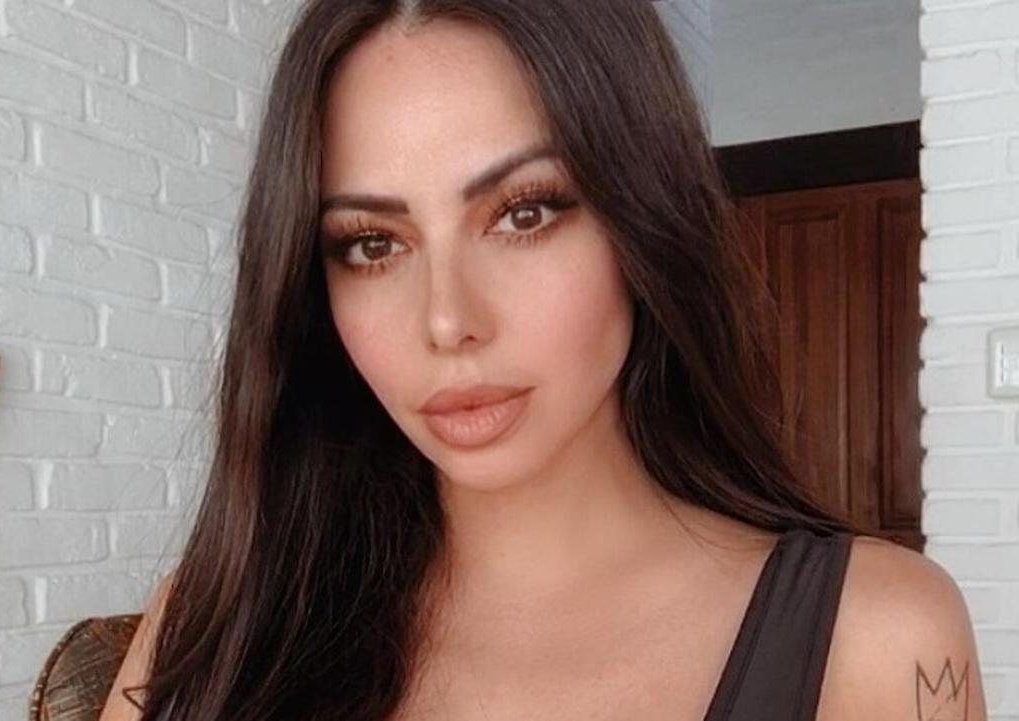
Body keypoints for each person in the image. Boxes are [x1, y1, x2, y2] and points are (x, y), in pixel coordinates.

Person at [97, 1, 987, 720]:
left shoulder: (876, 637)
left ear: (642, 222)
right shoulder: (216, 628)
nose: (448, 321)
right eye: (372, 243)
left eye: (524, 213)